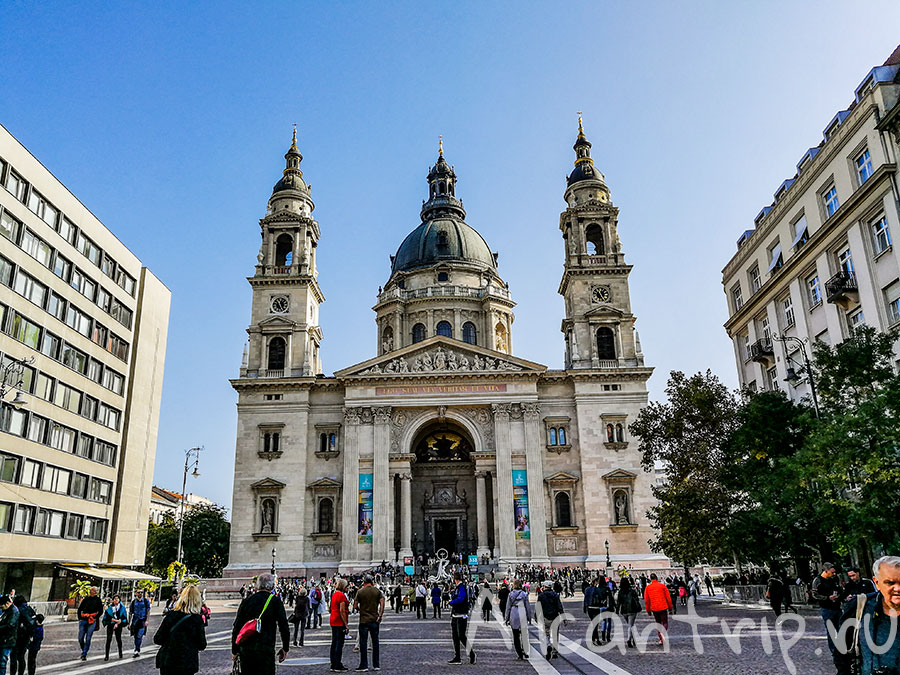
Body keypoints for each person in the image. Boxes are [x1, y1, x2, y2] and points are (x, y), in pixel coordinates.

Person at [839, 555, 900, 674]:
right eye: (890, 583)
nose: (897, 588)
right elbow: (842, 651)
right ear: (877, 583)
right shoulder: (859, 607)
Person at [231, 573, 290, 675]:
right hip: (266, 650)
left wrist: (234, 650)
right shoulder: (275, 601)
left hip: (247, 650)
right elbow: (284, 626)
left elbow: (237, 627)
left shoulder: (246, 601)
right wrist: (285, 648)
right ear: (272, 586)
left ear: (257, 585)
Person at [154, 585, 207, 675]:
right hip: (187, 663)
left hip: (169, 662)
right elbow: (202, 644)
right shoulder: (197, 620)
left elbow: (158, 639)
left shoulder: (171, 615)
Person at [812, 563, 844, 672]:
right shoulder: (818, 580)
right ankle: (834, 651)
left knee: (841, 628)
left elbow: (840, 588)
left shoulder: (835, 579)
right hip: (827, 608)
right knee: (831, 631)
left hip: (837, 607)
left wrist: (840, 595)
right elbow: (814, 594)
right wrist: (827, 598)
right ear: (826, 571)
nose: (834, 574)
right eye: (832, 572)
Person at [353, 574, 385, 672]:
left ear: (364, 582)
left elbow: (354, 606)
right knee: (375, 643)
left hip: (363, 620)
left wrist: (360, 610)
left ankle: (364, 665)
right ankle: (376, 665)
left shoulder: (360, 591)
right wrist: (380, 615)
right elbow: (382, 603)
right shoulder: (377, 591)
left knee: (363, 643)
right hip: (374, 619)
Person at [448, 572, 476, 665]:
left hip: (461, 615)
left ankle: (471, 654)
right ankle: (457, 657)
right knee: (455, 637)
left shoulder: (462, 588)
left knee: (461, 636)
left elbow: (460, 599)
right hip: (456, 615)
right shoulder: (458, 588)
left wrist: (451, 602)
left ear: (455, 579)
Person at [504, 579, 532, 660]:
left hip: (514, 613)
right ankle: (526, 651)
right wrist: (529, 617)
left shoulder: (511, 595)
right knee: (524, 635)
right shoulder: (524, 594)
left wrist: (506, 619)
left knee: (516, 636)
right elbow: (528, 607)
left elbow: (508, 607)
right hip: (522, 612)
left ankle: (519, 653)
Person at [536, 580, 565, 660]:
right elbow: (559, 606)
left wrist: (536, 616)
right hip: (555, 617)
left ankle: (548, 645)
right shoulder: (555, 595)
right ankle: (555, 651)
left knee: (546, 634)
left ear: (544, 587)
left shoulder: (541, 596)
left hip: (545, 617)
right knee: (555, 635)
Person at [643, 573, 674, 645]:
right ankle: (663, 634)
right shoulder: (662, 586)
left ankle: (660, 638)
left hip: (654, 608)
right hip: (663, 606)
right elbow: (668, 598)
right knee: (665, 622)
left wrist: (648, 610)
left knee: (658, 623)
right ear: (657, 578)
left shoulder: (648, 588)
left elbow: (646, 601)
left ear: (650, 579)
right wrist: (670, 607)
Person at [328, 578, 350, 672]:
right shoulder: (341, 595)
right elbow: (342, 610)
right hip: (339, 621)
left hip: (333, 619)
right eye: (347, 586)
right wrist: (346, 624)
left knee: (334, 642)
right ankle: (338, 664)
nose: (348, 588)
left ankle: (333, 663)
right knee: (339, 643)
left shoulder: (334, 594)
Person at [77, 586, 104, 661]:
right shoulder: (86, 599)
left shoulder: (98, 600)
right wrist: (80, 617)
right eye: (94, 590)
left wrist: (95, 617)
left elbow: (101, 611)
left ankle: (84, 653)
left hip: (92, 620)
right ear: (90, 591)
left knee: (88, 638)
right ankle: (84, 649)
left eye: (96, 591)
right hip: (83, 619)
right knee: (80, 638)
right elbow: (80, 609)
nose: (95, 592)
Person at [11, 595, 35, 675]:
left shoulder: (16, 610)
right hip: (26, 637)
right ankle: (20, 673)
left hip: (16, 635)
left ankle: (13, 673)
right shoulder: (29, 609)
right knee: (21, 657)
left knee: (13, 657)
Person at [616, 577, 642, 648]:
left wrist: (617, 610)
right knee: (630, 625)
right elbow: (636, 599)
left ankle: (633, 639)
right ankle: (629, 639)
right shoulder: (632, 591)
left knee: (630, 625)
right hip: (632, 610)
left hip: (624, 611)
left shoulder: (620, 592)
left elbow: (618, 602)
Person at [102, 595, 128, 661]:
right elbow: (107, 617)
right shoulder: (110, 608)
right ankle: (106, 655)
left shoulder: (122, 608)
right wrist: (115, 621)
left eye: (117, 599)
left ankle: (120, 653)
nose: (116, 600)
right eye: (115, 599)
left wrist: (118, 622)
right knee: (108, 639)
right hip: (111, 624)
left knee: (118, 639)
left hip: (119, 625)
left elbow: (124, 618)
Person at [0, 596, 19, 675]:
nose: (1, 608)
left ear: (7, 603)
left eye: (2, 606)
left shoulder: (14, 611)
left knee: (2, 661)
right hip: (4, 639)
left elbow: (10, 625)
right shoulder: (7, 611)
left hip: (8, 640)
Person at [130, 588, 152, 657]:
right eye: (139, 592)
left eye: (141, 592)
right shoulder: (134, 602)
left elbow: (148, 611)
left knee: (139, 636)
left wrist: (147, 620)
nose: (140, 593)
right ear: (136, 593)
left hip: (142, 620)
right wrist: (129, 622)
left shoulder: (145, 601)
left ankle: (137, 650)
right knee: (135, 636)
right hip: (135, 621)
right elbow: (130, 612)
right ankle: (136, 648)